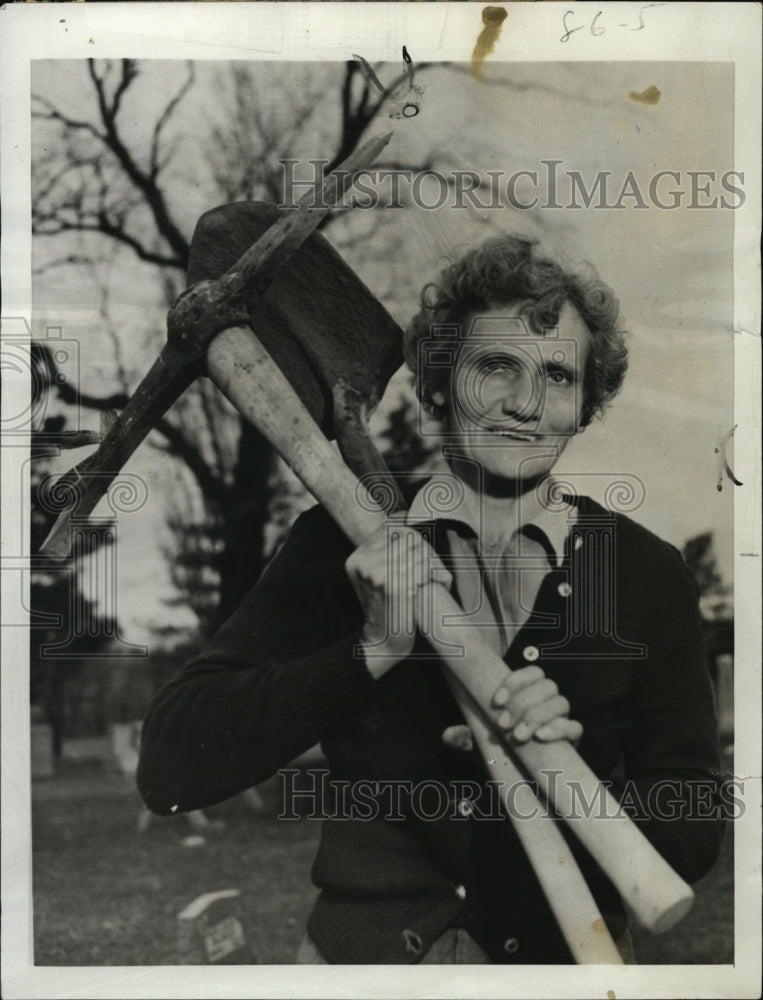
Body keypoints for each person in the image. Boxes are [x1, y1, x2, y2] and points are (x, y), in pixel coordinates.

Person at [137, 235, 724, 964]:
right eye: (496, 366)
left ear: (583, 405)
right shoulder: (336, 545)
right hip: (366, 966)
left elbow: (695, 818)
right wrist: (370, 653)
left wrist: (573, 776)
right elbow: (170, 764)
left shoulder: (641, 572)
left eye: (557, 375)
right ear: (441, 383)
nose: (524, 404)